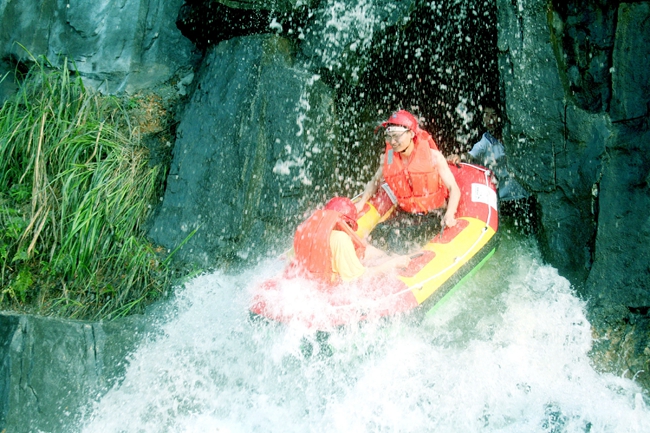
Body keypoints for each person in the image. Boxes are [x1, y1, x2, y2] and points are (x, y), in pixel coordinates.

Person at [354, 110, 461, 253]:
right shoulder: (388, 159)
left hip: (434, 214)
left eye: (397, 136)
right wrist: (361, 203)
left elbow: (454, 189)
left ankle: (399, 268)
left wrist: (449, 214)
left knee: (396, 238)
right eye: (389, 136)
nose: (393, 142)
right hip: (407, 213)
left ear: (411, 134)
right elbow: (374, 182)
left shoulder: (434, 157)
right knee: (377, 234)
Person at [449, 102, 536, 232]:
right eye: (486, 115)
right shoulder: (485, 141)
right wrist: (458, 157)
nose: (490, 120)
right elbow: (470, 155)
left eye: (494, 115)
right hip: (504, 198)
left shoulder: (510, 135)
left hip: (523, 194)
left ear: (500, 116)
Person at [290, 196, 410, 284]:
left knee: (370, 252)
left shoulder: (307, 232)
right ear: (346, 222)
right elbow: (358, 278)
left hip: (310, 281)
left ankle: (388, 255)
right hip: (330, 287)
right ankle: (392, 257)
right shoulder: (340, 239)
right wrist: (392, 264)